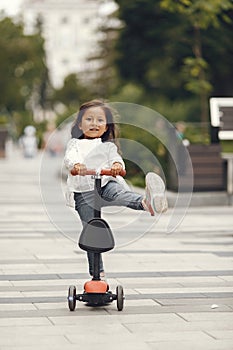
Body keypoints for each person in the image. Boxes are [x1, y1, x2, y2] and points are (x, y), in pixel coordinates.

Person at [64, 100, 168, 279]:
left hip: (105, 182)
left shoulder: (107, 146)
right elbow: (69, 158)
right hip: (83, 191)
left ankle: (146, 203)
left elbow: (116, 158)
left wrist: (117, 166)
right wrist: (77, 165)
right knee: (91, 230)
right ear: (80, 125)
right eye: (89, 119)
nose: (94, 123)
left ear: (106, 127)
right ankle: (98, 272)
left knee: (120, 194)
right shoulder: (75, 144)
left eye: (99, 120)